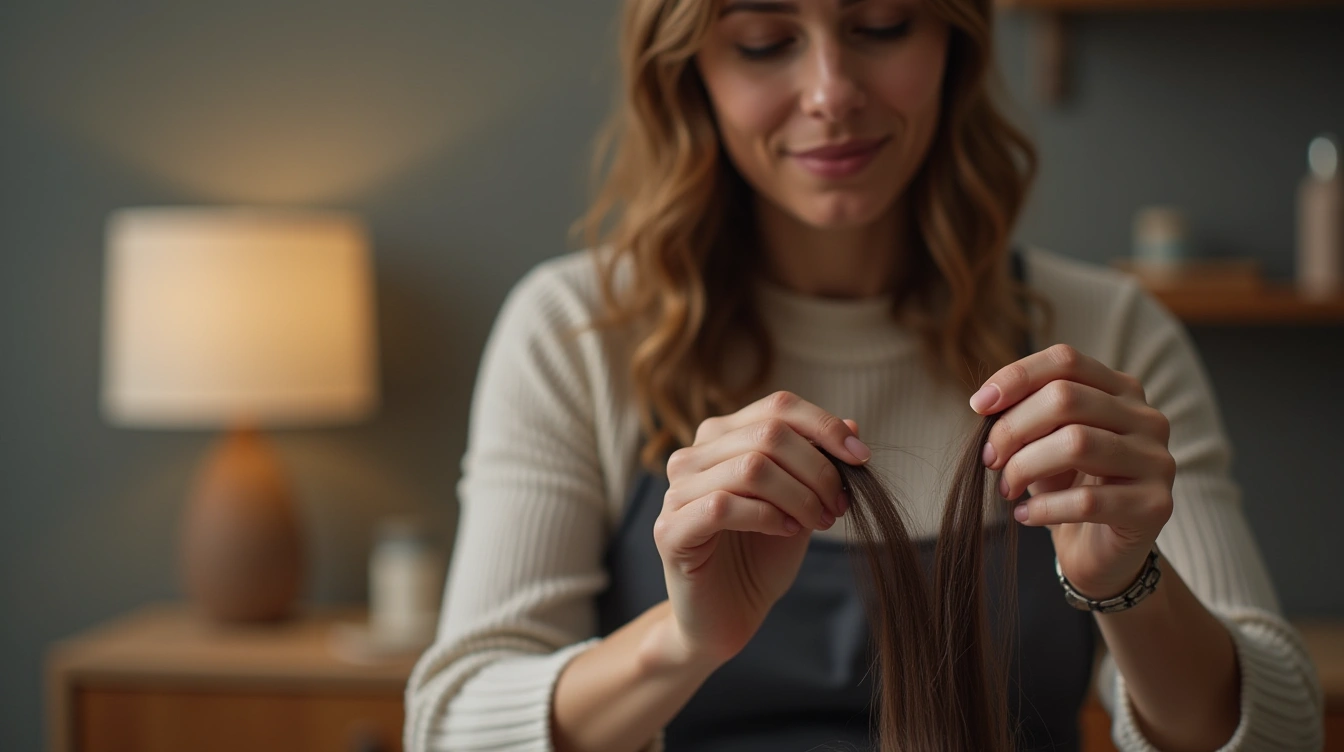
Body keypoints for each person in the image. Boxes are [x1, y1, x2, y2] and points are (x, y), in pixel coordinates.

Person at [404, 0, 1323, 749]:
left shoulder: (1110, 332)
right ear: (691, 75)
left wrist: (1130, 582)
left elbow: (1279, 731)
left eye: (882, 26)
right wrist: (686, 642)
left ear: (954, 45)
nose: (831, 93)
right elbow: (451, 729)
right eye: (765, 42)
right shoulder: (577, 334)